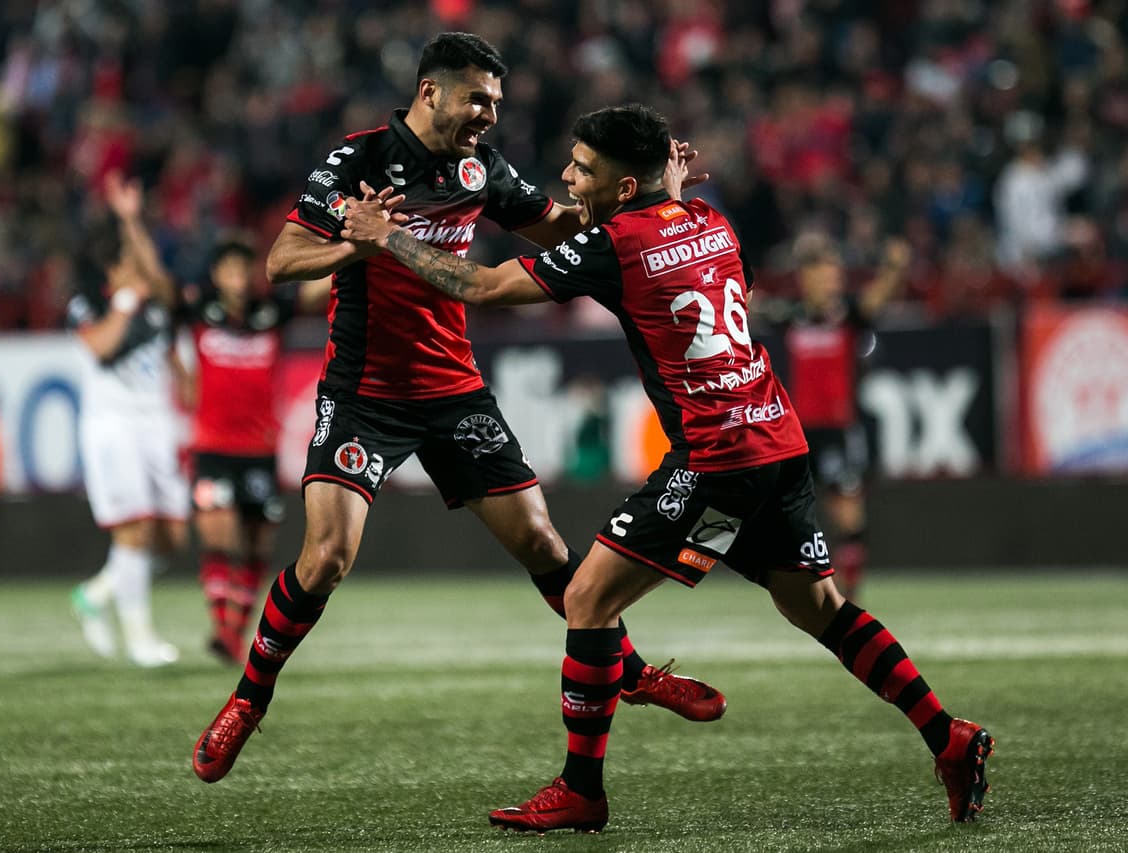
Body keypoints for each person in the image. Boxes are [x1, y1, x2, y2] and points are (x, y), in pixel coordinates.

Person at [341, 103, 993, 832]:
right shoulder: (712, 219)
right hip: (779, 444)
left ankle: (581, 790)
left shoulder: (614, 243)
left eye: (583, 168)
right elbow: (662, 219)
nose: (566, 176)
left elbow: (483, 289)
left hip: (717, 463)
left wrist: (386, 236)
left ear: (623, 189)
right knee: (822, 609)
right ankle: (949, 734)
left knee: (587, 598)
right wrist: (666, 187)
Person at [191, 33, 723, 786]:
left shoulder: (481, 169)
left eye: (496, 102)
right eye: (478, 97)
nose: (488, 113)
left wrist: (654, 197)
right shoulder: (358, 161)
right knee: (327, 557)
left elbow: (561, 228)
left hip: (453, 390)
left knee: (543, 543)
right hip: (364, 394)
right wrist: (361, 246)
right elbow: (281, 262)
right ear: (431, 90)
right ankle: (248, 697)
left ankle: (628, 670)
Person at [178, 239, 330, 663]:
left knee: (256, 549)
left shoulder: (273, 311)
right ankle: (223, 630)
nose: (239, 278)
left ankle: (234, 633)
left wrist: (356, 247)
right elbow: (157, 284)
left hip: (260, 450)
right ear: (216, 276)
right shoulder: (199, 311)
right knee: (218, 536)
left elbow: (318, 289)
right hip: (212, 448)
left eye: (245, 270)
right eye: (230, 270)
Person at [68, 171, 190, 668]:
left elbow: (170, 341)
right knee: (135, 528)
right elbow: (99, 348)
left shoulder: (157, 305)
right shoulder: (93, 304)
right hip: (112, 426)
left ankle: (96, 594)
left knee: (171, 538)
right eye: (129, 256)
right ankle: (141, 639)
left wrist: (133, 220)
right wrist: (123, 300)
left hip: (156, 424)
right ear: (113, 266)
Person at [774, 231, 910, 600]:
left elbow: (876, 299)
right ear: (804, 278)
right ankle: (797, 583)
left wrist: (894, 267)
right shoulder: (790, 317)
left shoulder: (849, 315)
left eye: (832, 270)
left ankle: (850, 592)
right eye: (819, 271)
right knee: (785, 513)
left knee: (847, 512)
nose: (828, 278)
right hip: (796, 432)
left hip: (838, 428)